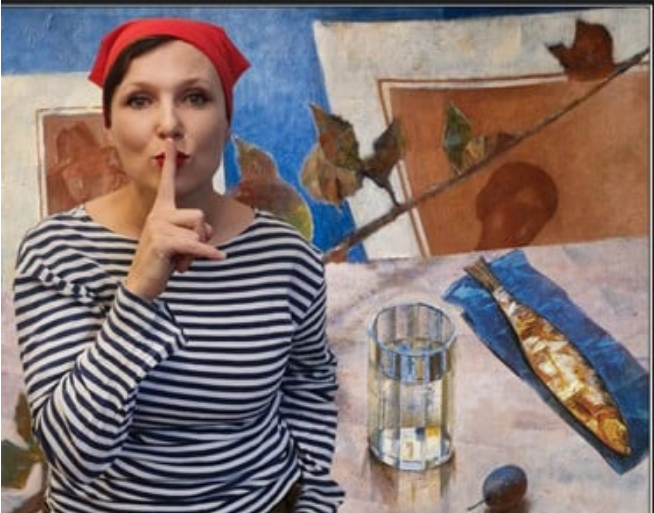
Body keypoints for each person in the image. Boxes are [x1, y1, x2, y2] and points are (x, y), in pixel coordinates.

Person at [12, 17, 345, 513]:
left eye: (195, 97)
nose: (168, 124)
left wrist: (313, 495)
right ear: (109, 126)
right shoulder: (55, 251)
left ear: (226, 122)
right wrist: (139, 289)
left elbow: (310, 382)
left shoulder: (287, 256)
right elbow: (74, 456)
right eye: (139, 100)